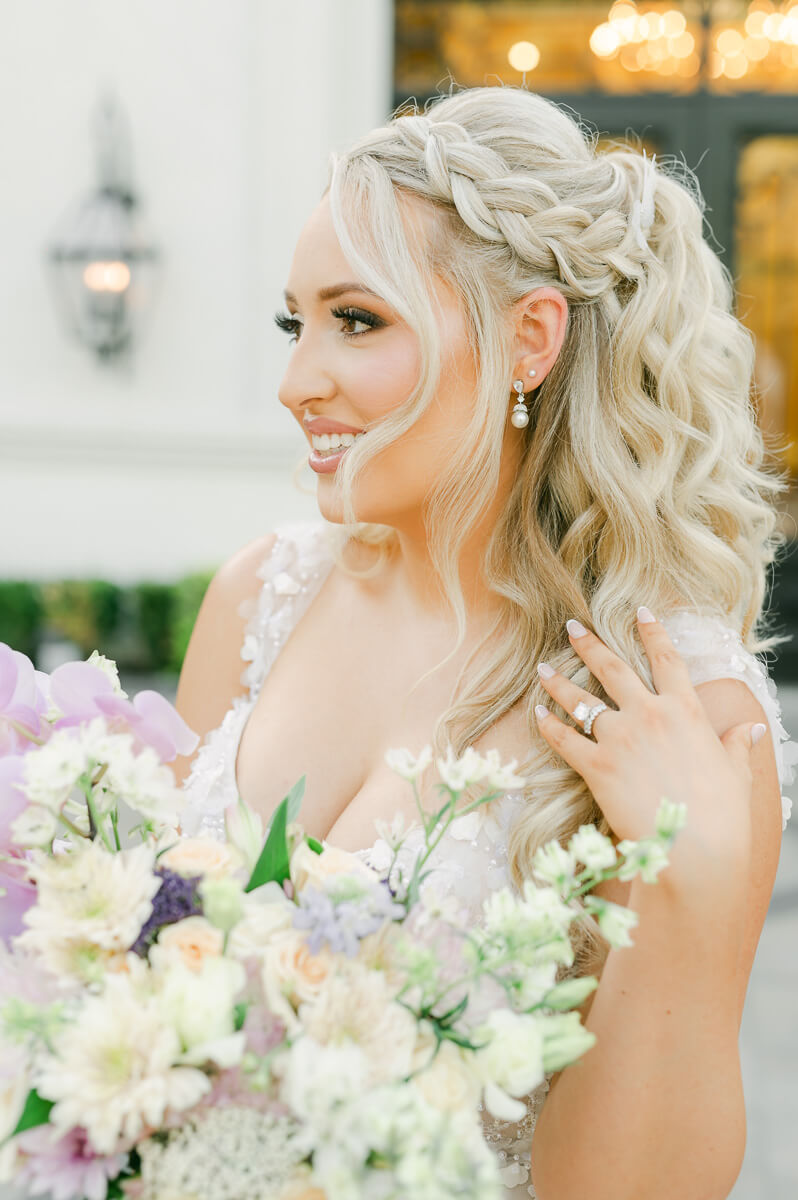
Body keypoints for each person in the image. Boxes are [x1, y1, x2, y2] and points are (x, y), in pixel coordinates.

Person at [171, 87, 796, 1200]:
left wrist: (687, 888)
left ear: (529, 338)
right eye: (294, 321)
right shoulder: (257, 598)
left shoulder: (682, 718)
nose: (296, 380)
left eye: (357, 321)